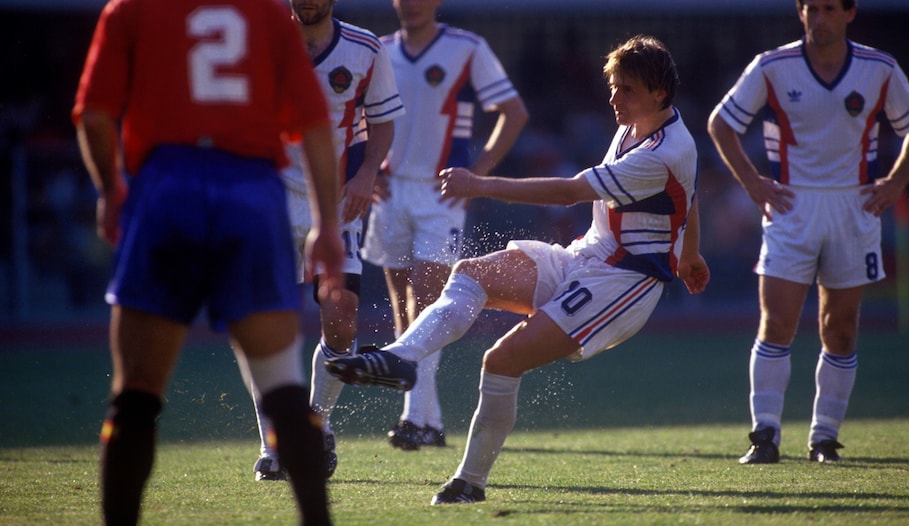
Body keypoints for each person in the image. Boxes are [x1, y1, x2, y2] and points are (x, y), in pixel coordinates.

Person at [329, 35, 710, 503]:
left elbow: (569, 193)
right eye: (613, 86)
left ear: (659, 93)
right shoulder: (639, 123)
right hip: (586, 256)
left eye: (626, 89)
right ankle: (401, 358)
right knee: (470, 271)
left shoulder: (665, 150)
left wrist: (480, 184)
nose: (614, 97)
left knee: (501, 360)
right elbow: (689, 197)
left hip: (623, 282)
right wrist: (690, 254)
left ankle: (469, 482)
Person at [73, 0, 344, 523]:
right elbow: (315, 124)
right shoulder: (268, 15)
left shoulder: (130, 10)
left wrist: (111, 189)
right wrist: (326, 226)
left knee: (134, 397)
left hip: (166, 190)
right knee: (284, 389)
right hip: (250, 194)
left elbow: (94, 113)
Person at [707, 0, 909, 465]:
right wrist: (752, 182)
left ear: (849, 14)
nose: (819, 18)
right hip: (791, 205)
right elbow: (721, 124)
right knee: (777, 323)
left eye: (829, 8)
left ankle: (824, 438)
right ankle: (764, 434)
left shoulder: (878, 68)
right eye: (811, 8)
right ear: (800, 12)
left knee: (841, 330)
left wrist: (895, 182)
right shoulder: (772, 66)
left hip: (854, 206)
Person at [233, 0, 405, 481]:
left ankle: (315, 423)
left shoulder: (365, 49)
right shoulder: (256, 43)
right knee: (262, 324)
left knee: (343, 316)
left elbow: (384, 119)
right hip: (266, 198)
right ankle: (273, 441)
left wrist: (366, 173)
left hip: (332, 201)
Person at [361, 0, 528, 451]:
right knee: (404, 312)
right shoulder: (378, 50)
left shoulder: (466, 47)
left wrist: (480, 174)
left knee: (429, 298)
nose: (412, 4)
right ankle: (428, 421)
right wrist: (364, 168)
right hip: (392, 193)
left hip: (441, 192)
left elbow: (513, 112)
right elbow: (358, 113)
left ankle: (414, 419)